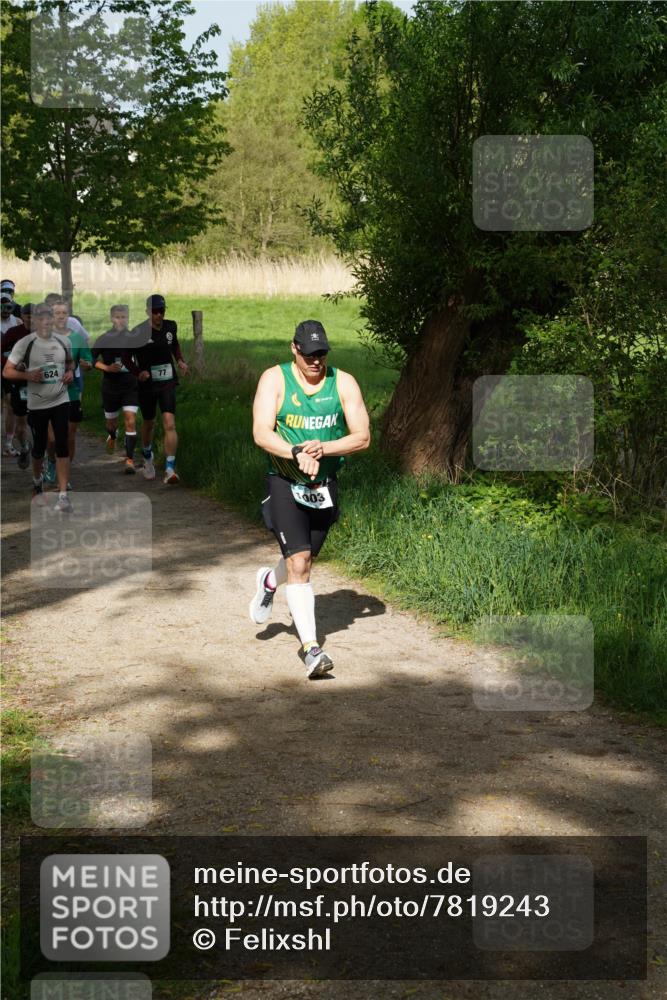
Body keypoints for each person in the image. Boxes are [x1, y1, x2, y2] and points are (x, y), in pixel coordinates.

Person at [250, 320, 370, 678]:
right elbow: (260, 433)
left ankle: (270, 582)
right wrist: (295, 450)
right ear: (294, 349)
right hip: (285, 480)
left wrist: (323, 448)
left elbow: (362, 436)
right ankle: (311, 649)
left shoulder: (343, 382)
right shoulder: (274, 379)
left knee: (302, 561)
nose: (316, 360)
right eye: (308, 354)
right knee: (300, 562)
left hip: (324, 485)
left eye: (321, 353)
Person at [4, 302, 75, 511]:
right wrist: (27, 375)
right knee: (39, 447)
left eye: (48, 318)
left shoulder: (64, 341)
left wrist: (70, 372)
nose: (45, 322)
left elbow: (70, 362)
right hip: (37, 405)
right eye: (40, 318)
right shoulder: (24, 344)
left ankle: (62, 496)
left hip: (60, 401)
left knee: (61, 444)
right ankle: (37, 483)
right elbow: (7, 372)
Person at [127, 294, 188, 484]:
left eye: (162, 311)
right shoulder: (138, 333)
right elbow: (126, 358)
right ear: (147, 312)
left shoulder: (171, 326)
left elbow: (174, 345)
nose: (159, 315)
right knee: (149, 423)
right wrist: (138, 373)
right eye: (155, 312)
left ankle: (170, 469)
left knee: (169, 423)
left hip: (167, 381)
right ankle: (147, 457)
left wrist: (180, 361)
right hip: (148, 385)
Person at [93, 304, 139, 473]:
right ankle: (112, 435)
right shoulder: (104, 338)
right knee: (111, 424)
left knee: (130, 421)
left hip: (130, 386)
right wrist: (107, 368)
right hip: (110, 387)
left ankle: (129, 460)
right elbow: (91, 359)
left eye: (124, 317)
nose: (121, 320)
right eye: (117, 317)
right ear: (111, 318)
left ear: (128, 318)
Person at [1, 303, 33, 469]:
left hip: (40, 383)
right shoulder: (13, 333)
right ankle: (25, 446)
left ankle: (42, 456)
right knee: (21, 425)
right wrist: (14, 365)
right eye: (29, 316)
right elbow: (2, 354)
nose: (32, 319)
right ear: (22, 317)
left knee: (40, 421)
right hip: (19, 383)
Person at [1, 291, 23, 455]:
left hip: (11, 370)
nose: (5, 309)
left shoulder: (18, 322)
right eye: (2, 306)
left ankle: (8, 443)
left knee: (11, 405)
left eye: (8, 306)